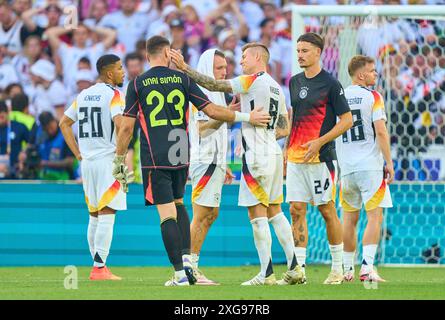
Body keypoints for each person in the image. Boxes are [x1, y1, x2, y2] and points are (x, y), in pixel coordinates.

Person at [114, 35, 270, 286]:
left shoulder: (137, 83)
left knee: (166, 216)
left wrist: (119, 158)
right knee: (180, 206)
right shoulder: (182, 79)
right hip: (181, 154)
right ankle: (188, 266)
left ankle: (179, 275)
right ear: (168, 54)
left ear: (147, 56)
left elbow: (125, 129)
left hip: (155, 156)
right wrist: (245, 116)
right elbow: (211, 110)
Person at [170, 42, 303, 286]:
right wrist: (263, 138)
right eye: (222, 66)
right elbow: (284, 128)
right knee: (275, 211)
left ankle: (266, 273)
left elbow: (213, 84)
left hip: (256, 156)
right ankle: (296, 268)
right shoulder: (276, 87)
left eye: (244, 57)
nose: (239, 62)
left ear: (257, 57)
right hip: (272, 153)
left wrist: (185, 67)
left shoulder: (250, 80)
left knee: (257, 214)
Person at [286, 32, 353, 285]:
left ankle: (337, 269)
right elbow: (296, 116)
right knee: (296, 210)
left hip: (322, 158)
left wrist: (320, 141)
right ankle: (299, 271)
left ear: (318, 52)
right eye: (298, 51)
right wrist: (286, 149)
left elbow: (347, 120)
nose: (300, 55)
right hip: (296, 157)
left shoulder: (331, 84)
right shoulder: (294, 81)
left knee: (326, 210)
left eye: (304, 51)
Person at [59, 54, 130, 281]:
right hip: (107, 160)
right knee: (107, 214)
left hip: (87, 163)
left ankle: (98, 265)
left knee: (94, 216)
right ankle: (99, 269)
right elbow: (122, 126)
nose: (123, 72)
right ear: (109, 73)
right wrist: (120, 159)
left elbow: (64, 123)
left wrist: (78, 153)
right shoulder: (115, 95)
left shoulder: (84, 94)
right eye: (120, 68)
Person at [338, 55, 394, 283]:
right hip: (369, 167)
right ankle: (367, 267)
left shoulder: (338, 98)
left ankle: (347, 270)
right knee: (375, 217)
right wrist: (389, 163)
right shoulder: (373, 97)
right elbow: (381, 131)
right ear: (361, 75)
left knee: (349, 220)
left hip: (346, 169)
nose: (375, 75)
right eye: (372, 71)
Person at [188, 49, 237, 285]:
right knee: (201, 215)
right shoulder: (202, 93)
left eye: (225, 68)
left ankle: (188, 267)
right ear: (207, 67)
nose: (224, 72)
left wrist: (224, 163)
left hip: (215, 160)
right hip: (204, 160)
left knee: (211, 214)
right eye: (219, 68)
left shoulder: (217, 94)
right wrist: (229, 114)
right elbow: (201, 129)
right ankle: (188, 270)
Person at [0, 100, 29, 178]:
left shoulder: (19, 127)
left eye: (1, 116)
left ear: (7, 113)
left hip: (15, 170)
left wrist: (24, 152)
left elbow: (31, 143)